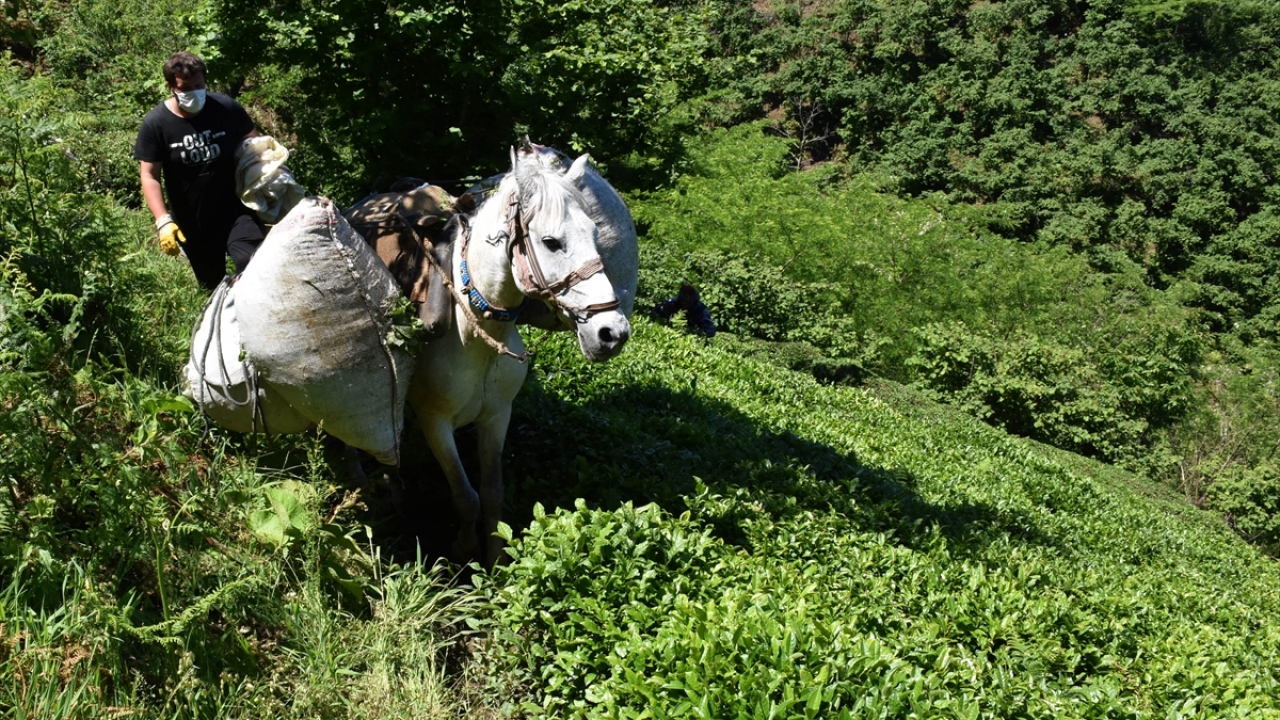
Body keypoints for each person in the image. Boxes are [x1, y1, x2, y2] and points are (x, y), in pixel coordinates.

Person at [135, 51, 264, 290]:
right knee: (211, 285)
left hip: (236, 209)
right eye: (185, 88)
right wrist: (163, 221)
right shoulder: (156, 123)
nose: (194, 92)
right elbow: (149, 175)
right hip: (193, 222)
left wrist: (273, 181)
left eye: (199, 85)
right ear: (171, 86)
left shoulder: (225, 108)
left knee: (254, 263)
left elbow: (256, 147)